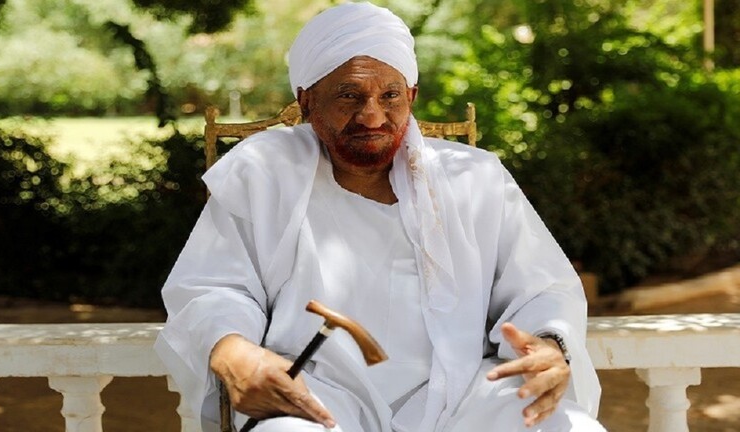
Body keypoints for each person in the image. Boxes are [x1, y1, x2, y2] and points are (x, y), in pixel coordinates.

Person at [154, 2, 606, 431]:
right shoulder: (263, 173)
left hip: (466, 393)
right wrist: (234, 352)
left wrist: (549, 344)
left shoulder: (475, 177)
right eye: (349, 95)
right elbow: (213, 288)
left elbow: (543, 287)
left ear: (411, 96)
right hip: (317, 395)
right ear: (306, 101)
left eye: (390, 95)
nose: (371, 116)